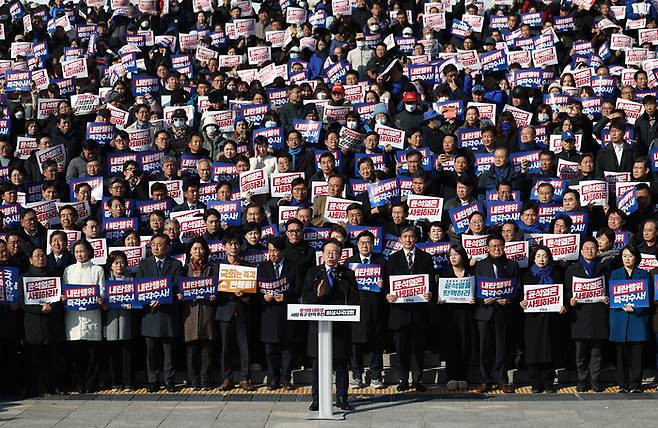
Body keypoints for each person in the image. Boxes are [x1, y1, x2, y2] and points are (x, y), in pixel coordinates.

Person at [303, 238, 359, 412]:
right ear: (322, 254)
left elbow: (354, 298)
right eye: (328, 252)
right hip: (318, 327)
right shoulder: (313, 273)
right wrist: (318, 295)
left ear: (340, 255)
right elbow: (305, 298)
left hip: (340, 327)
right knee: (318, 366)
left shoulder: (347, 274)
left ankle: (342, 398)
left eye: (335, 252)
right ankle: (317, 399)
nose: (331, 255)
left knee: (341, 365)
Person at [385, 226, 435, 392]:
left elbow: (431, 284)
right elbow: (387, 285)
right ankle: (403, 379)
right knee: (401, 349)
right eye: (405, 236)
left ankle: (417, 379)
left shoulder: (426, 258)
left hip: (419, 312)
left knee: (418, 348)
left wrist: (430, 294)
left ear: (416, 239)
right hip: (399, 313)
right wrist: (388, 295)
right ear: (400, 239)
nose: (408, 239)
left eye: (411, 236)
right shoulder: (392, 259)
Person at [137, 234, 183, 393]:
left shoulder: (176, 264)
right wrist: (149, 299)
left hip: (168, 314)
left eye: (160, 245)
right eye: (154, 245)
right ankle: (153, 381)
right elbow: (139, 287)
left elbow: (177, 286)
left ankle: (169, 381)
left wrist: (162, 298)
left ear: (167, 246)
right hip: (150, 313)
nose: (156, 248)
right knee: (151, 352)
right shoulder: (144, 264)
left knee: (169, 350)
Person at [474, 234, 519, 394]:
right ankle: (486, 381)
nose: (497, 249)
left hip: (503, 313)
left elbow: (517, 289)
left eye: (499, 246)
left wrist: (509, 300)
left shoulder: (512, 265)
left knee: (502, 348)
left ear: (504, 247)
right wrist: (482, 300)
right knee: (484, 348)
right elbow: (475, 288)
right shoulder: (480, 265)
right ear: (487, 248)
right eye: (493, 246)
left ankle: (502, 381)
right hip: (485, 312)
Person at [564, 238, 610, 392]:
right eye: (586, 248)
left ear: (597, 250)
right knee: (580, 353)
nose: (589, 251)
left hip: (598, 315)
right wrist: (570, 300)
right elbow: (567, 291)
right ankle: (582, 380)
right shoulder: (572, 269)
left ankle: (595, 380)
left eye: (592, 248)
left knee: (597, 353)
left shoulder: (604, 269)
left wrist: (607, 299)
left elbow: (609, 290)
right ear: (581, 251)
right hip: (580, 315)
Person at [19, 247, 66, 396]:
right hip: (33, 325)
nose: (41, 258)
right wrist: (40, 309)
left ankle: (54, 386)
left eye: (43, 256)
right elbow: (22, 302)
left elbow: (60, 299)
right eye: (37, 256)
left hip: (52, 324)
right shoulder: (24, 278)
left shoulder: (54, 276)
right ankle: (32, 388)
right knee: (33, 360)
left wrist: (53, 306)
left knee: (53, 359)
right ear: (31, 260)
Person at [520, 246, 566, 393]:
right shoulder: (527, 276)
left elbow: (562, 295)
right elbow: (521, 296)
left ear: (549, 258)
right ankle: (535, 384)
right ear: (534, 258)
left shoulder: (557, 275)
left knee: (549, 351)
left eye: (544, 256)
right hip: (533, 320)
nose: (541, 259)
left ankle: (548, 383)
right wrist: (522, 303)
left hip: (551, 319)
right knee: (534, 351)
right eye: (538, 256)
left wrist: (562, 306)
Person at [62, 239, 105, 393]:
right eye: (77, 251)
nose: (80, 254)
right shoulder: (68, 270)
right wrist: (64, 297)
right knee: (76, 353)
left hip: (92, 315)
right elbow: (65, 290)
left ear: (89, 252)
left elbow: (102, 289)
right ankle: (79, 384)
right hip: (73, 317)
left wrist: (101, 297)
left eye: (82, 251)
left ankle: (91, 383)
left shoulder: (97, 269)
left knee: (93, 353)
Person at [257, 237, 299, 390]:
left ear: (282, 251)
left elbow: (298, 289)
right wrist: (263, 296)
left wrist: (286, 296)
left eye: (274, 250)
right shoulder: (262, 267)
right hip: (269, 313)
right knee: (270, 349)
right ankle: (273, 378)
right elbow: (256, 290)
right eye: (269, 251)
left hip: (286, 312)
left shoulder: (292, 266)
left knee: (287, 349)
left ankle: (286, 378)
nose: (272, 254)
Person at [346, 230, 387, 389]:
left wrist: (383, 287)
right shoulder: (350, 262)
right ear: (357, 245)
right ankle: (356, 376)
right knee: (355, 344)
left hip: (376, 308)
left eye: (368, 242)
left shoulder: (381, 262)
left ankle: (375, 376)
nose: (365, 245)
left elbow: (389, 287)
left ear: (373, 244)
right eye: (362, 242)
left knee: (376, 343)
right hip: (356, 308)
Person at [216, 232, 256, 391]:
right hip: (224, 310)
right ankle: (227, 378)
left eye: (236, 244)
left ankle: (245, 378)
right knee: (226, 347)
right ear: (224, 247)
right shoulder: (217, 267)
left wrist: (244, 293)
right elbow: (213, 289)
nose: (233, 247)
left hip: (243, 309)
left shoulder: (248, 266)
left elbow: (254, 291)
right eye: (230, 244)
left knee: (244, 346)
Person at [608, 245, 651, 393]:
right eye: (625, 255)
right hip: (620, 317)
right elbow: (613, 296)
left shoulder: (644, 275)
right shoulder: (615, 274)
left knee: (637, 355)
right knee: (621, 356)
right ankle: (622, 384)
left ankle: (635, 385)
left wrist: (637, 309)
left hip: (637, 319)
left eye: (630, 256)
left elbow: (648, 297)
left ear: (636, 258)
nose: (627, 258)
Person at [178, 237, 218, 390]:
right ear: (190, 251)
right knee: (191, 349)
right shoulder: (184, 269)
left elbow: (217, 287)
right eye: (195, 249)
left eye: (201, 248)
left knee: (207, 349)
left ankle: (205, 378)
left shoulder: (212, 268)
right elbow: (178, 289)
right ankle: (193, 379)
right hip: (190, 313)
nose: (198, 252)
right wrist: (180, 296)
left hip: (207, 312)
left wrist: (215, 295)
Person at [438, 244, 476, 391]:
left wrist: (474, 300)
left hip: (466, 316)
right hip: (449, 316)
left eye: (456, 254)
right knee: (451, 346)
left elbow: (477, 292)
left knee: (465, 346)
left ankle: (463, 376)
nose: (453, 257)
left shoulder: (471, 272)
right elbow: (437, 293)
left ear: (463, 256)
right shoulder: (444, 273)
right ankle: (451, 376)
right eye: (451, 255)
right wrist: (439, 299)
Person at [103, 250, 137, 391]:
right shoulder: (104, 279)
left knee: (127, 350)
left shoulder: (132, 278)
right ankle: (115, 381)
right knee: (112, 351)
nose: (119, 265)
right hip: (110, 318)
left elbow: (138, 297)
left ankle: (128, 381)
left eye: (122, 262)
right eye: (116, 263)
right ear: (110, 265)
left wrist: (134, 302)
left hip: (126, 318)